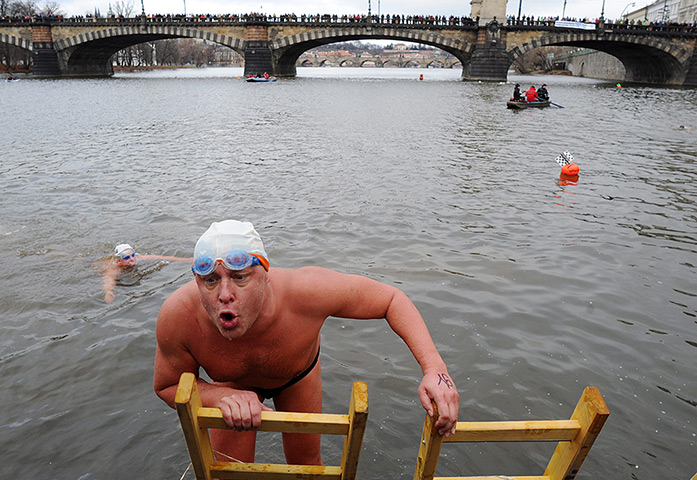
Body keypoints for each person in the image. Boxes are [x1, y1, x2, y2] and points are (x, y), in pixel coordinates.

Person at [153, 220, 459, 465]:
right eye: (210, 280)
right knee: (230, 469)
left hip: (297, 376)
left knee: (307, 464)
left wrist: (434, 368)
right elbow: (166, 385)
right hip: (229, 386)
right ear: (196, 281)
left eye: (240, 277)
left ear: (265, 274)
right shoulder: (179, 316)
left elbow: (391, 300)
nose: (224, 294)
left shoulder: (307, 292)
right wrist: (218, 397)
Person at [100, 243, 192, 303]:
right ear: (119, 261)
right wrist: (109, 292)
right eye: (127, 258)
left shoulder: (139, 258)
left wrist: (185, 260)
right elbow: (108, 280)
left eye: (132, 255)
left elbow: (161, 257)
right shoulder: (114, 269)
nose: (132, 259)